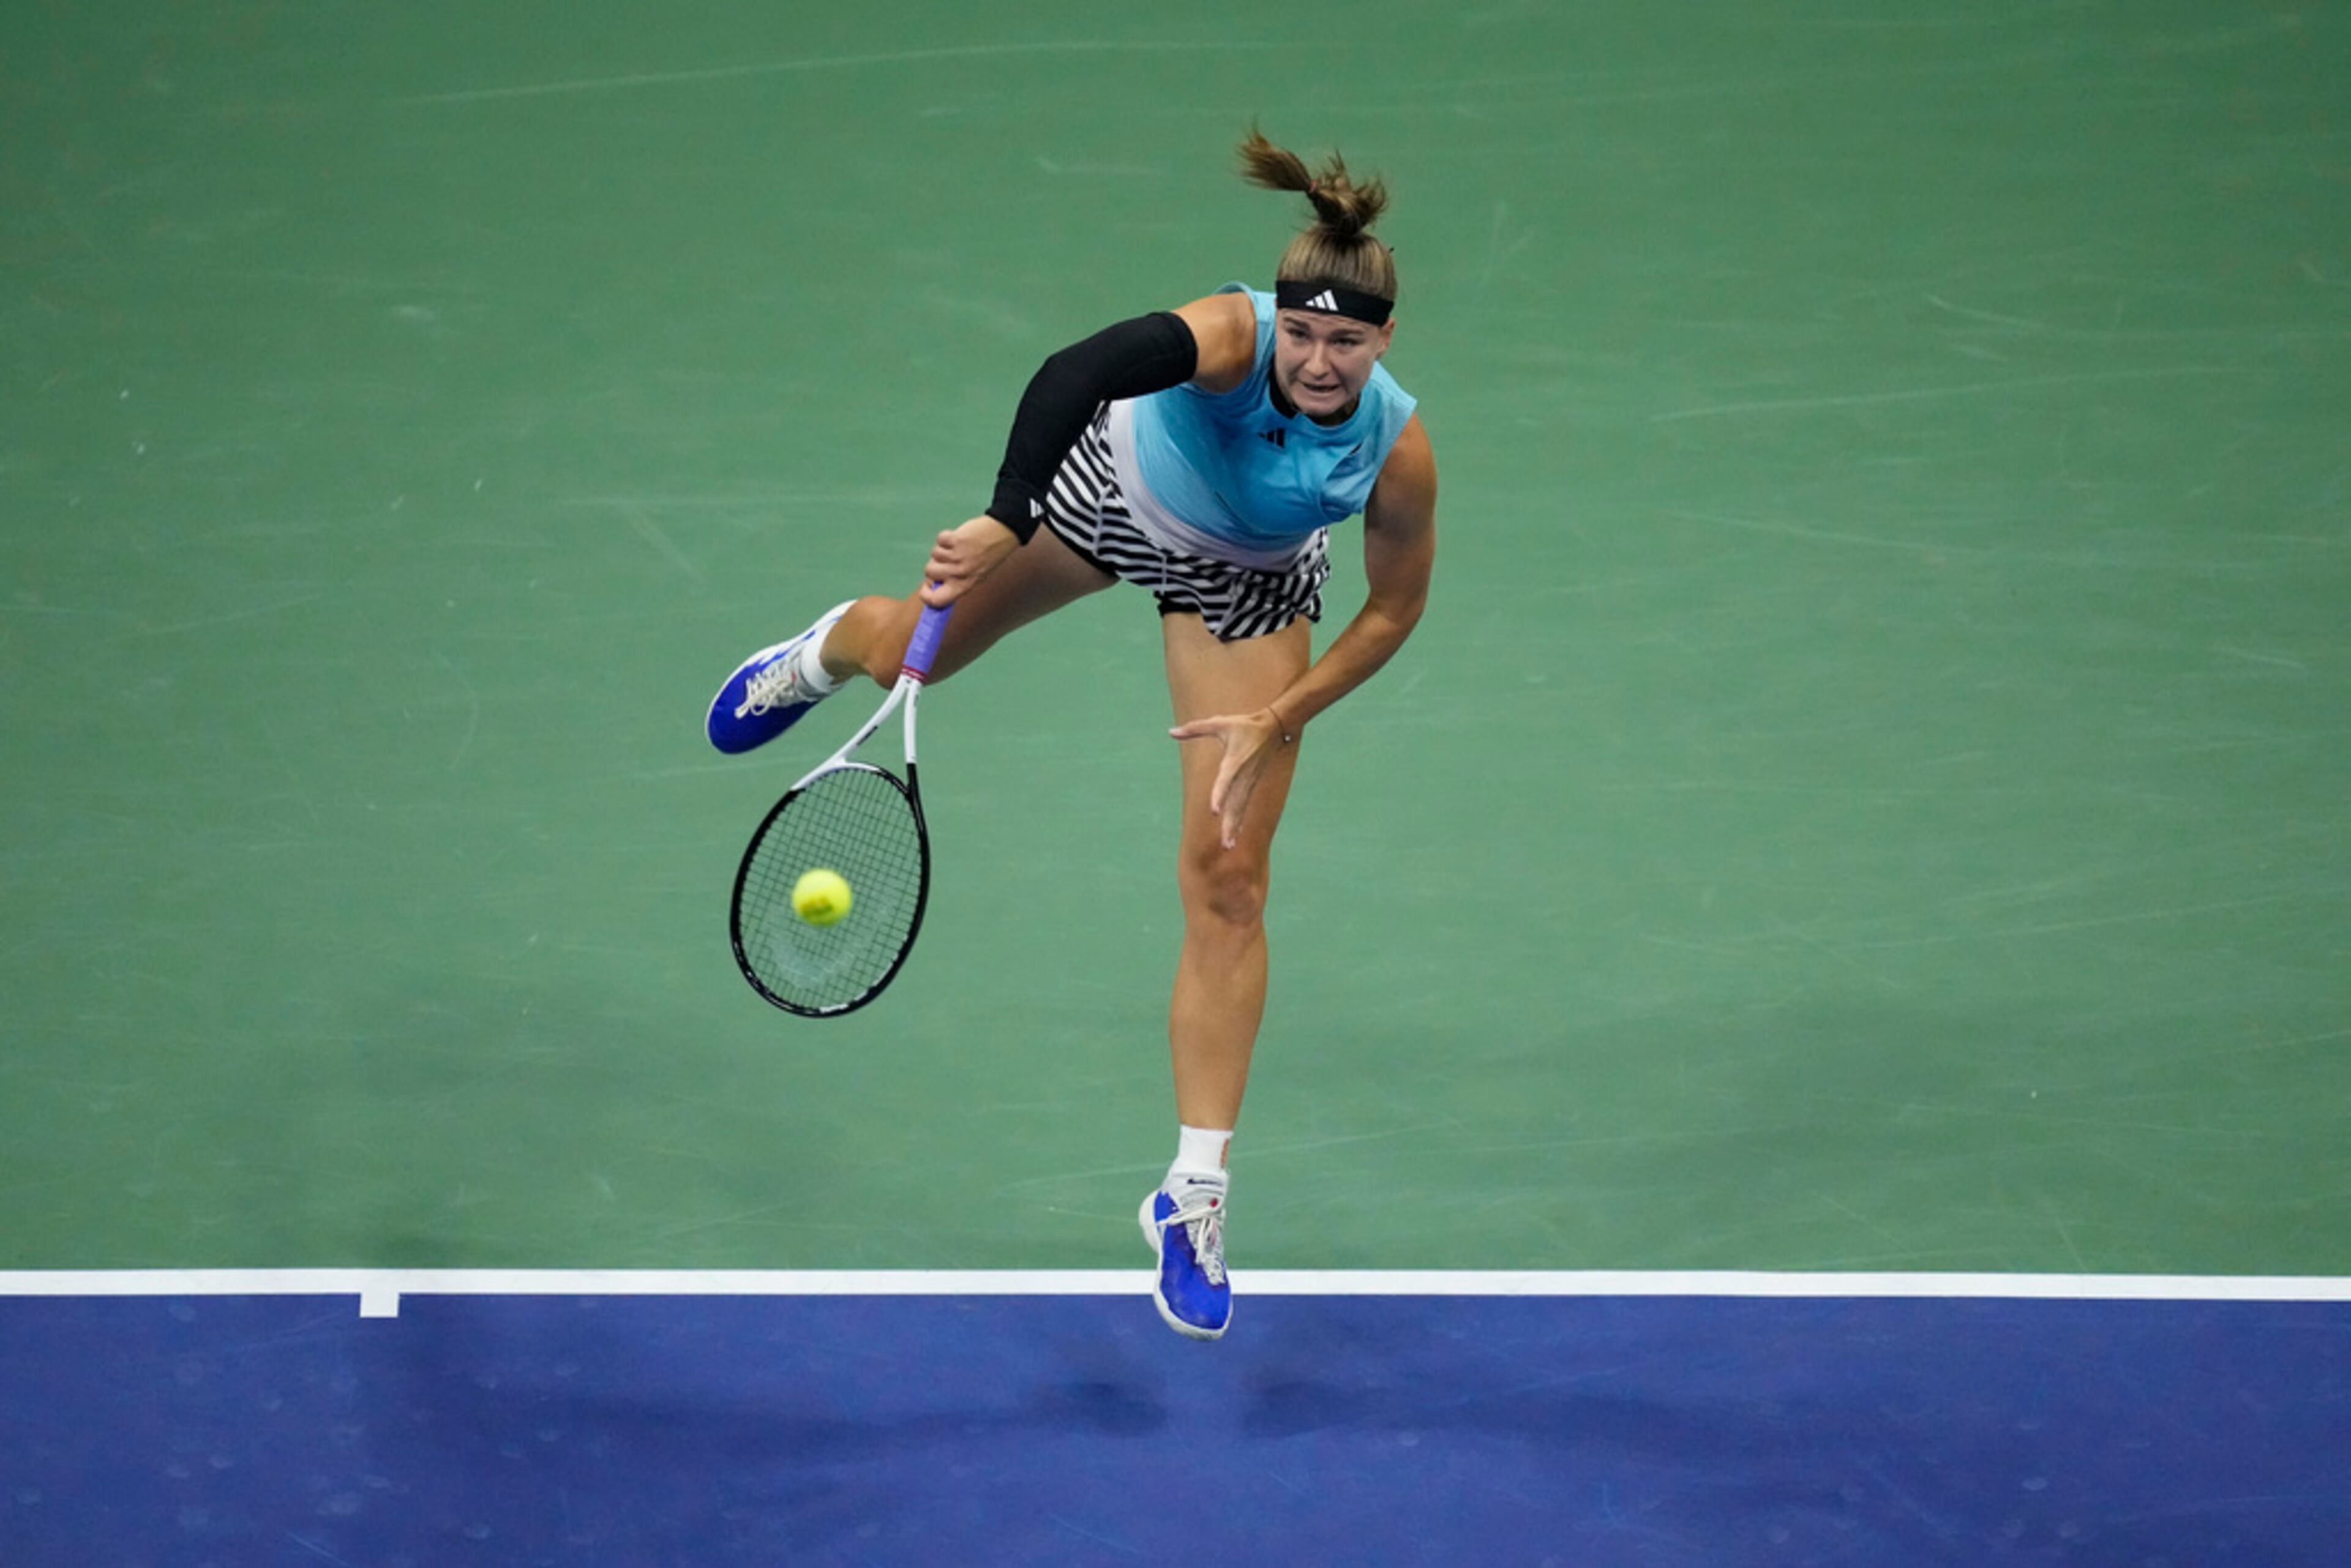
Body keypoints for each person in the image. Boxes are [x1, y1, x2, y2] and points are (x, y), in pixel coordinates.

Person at [705, 129, 1437, 1341]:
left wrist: (1277, 714)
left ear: (1384, 343)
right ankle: (827, 648)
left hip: (1245, 587)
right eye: (1303, 334)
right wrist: (1007, 518)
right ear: (1281, 319)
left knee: (1231, 881)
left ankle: (1192, 1195)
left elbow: (1397, 607)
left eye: (1345, 342)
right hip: (1110, 495)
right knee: (910, 650)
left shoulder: (1395, 447)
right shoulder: (1230, 333)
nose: (1316, 360)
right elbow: (1079, 367)